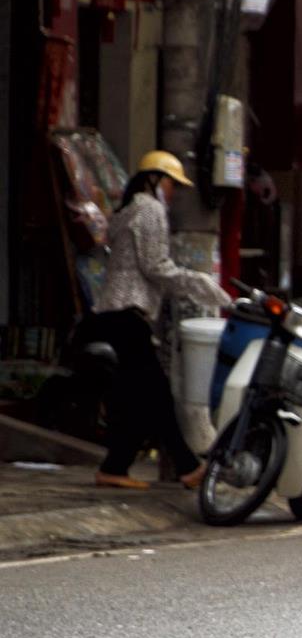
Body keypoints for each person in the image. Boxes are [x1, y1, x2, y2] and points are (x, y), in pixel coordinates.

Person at [81, 151, 232, 489]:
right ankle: (187, 466)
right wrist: (204, 286)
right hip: (128, 313)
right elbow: (156, 266)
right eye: (171, 182)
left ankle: (115, 467)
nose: (173, 191)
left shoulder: (127, 209)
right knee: (156, 393)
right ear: (153, 179)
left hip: (114, 312)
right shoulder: (150, 209)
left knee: (141, 396)